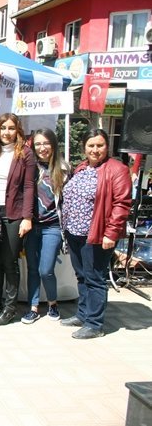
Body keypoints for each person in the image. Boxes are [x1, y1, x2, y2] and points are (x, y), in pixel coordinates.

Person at [60, 129, 131, 339]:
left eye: (100, 145)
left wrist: (111, 233)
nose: (95, 149)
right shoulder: (82, 168)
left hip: (97, 234)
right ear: (84, 147)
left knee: (95, 278)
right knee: (82, 276)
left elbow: (122, 204)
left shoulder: (117, 169)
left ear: (107, 146)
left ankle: (95, 324)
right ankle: (83, 314)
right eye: (91, 145)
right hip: (74, 232)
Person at [0, 113, 36, 326]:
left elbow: (29, 186)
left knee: (9, 261)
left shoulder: (25, 153)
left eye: (11, 128)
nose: (7, 132)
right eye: (3, 128)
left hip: (14, 213)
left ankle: (10, 308)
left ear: (18, 130)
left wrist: (27, 217)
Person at [22, 128, 71, 324]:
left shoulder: (64, 169)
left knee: (46, 269)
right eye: (38, 144)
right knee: (32, 268)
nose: (42, 148)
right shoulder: (30, 167)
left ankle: (52, 303)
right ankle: (33, 308)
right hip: (31, 225)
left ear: (53, 144)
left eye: (46, 143)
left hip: (52, 226)